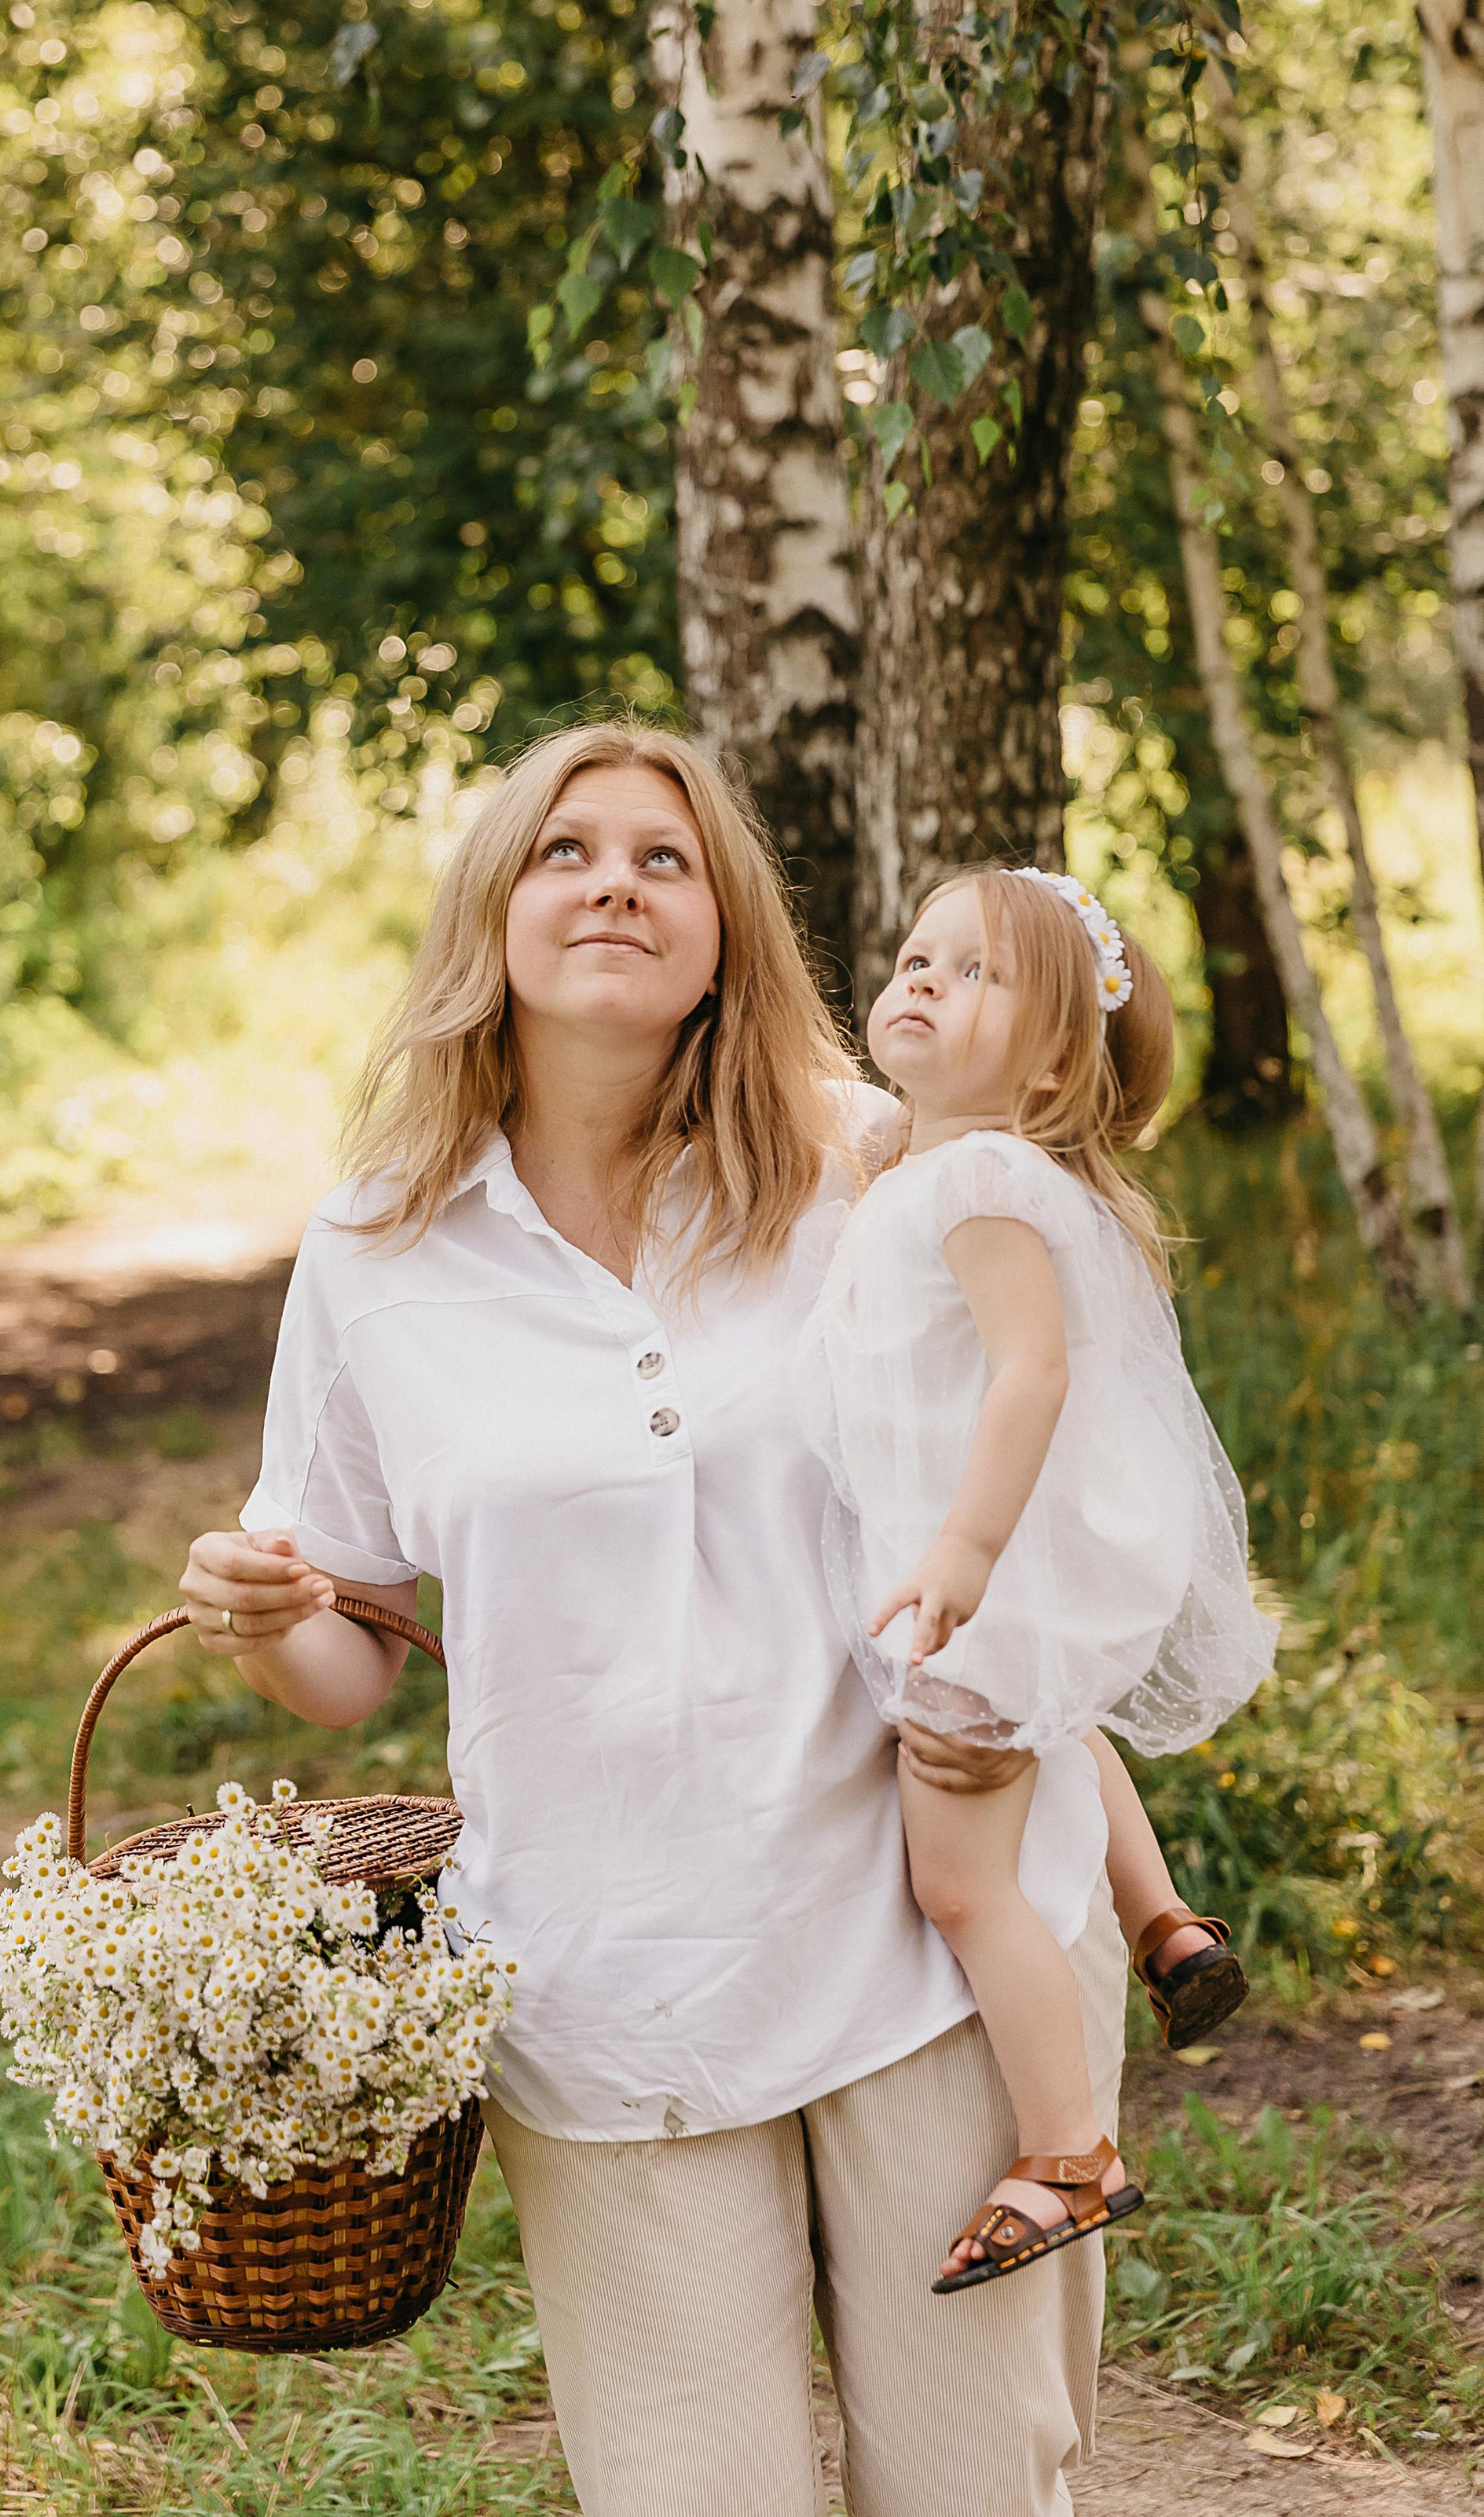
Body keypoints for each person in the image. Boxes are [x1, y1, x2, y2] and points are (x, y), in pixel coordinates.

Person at [179, 721, 1130, 2517]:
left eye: (664, 858)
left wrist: (1024, 1667)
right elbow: (346, 1659)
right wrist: (261, 1614)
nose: (614, 879)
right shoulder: (375, 1249)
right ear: (493, 914)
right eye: (566, 850)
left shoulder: (872, 1162)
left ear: (724, 932)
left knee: (976, 2489)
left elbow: (1078, 1397)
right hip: (611, 1988)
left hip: (924, 1945)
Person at [796, 867, 1276, 2297]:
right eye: (915, 955)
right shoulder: (951, 1162)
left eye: (976, 974)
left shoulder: (983, 1178)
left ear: (1059, 1060)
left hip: (980, 1576)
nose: (923, 981)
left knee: (958, 1882)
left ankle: (1069, 2150)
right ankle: (1162, 1919)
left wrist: (963, 1558)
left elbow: (1033, 1369)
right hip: (1012, 1583)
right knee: (1055, 1723)